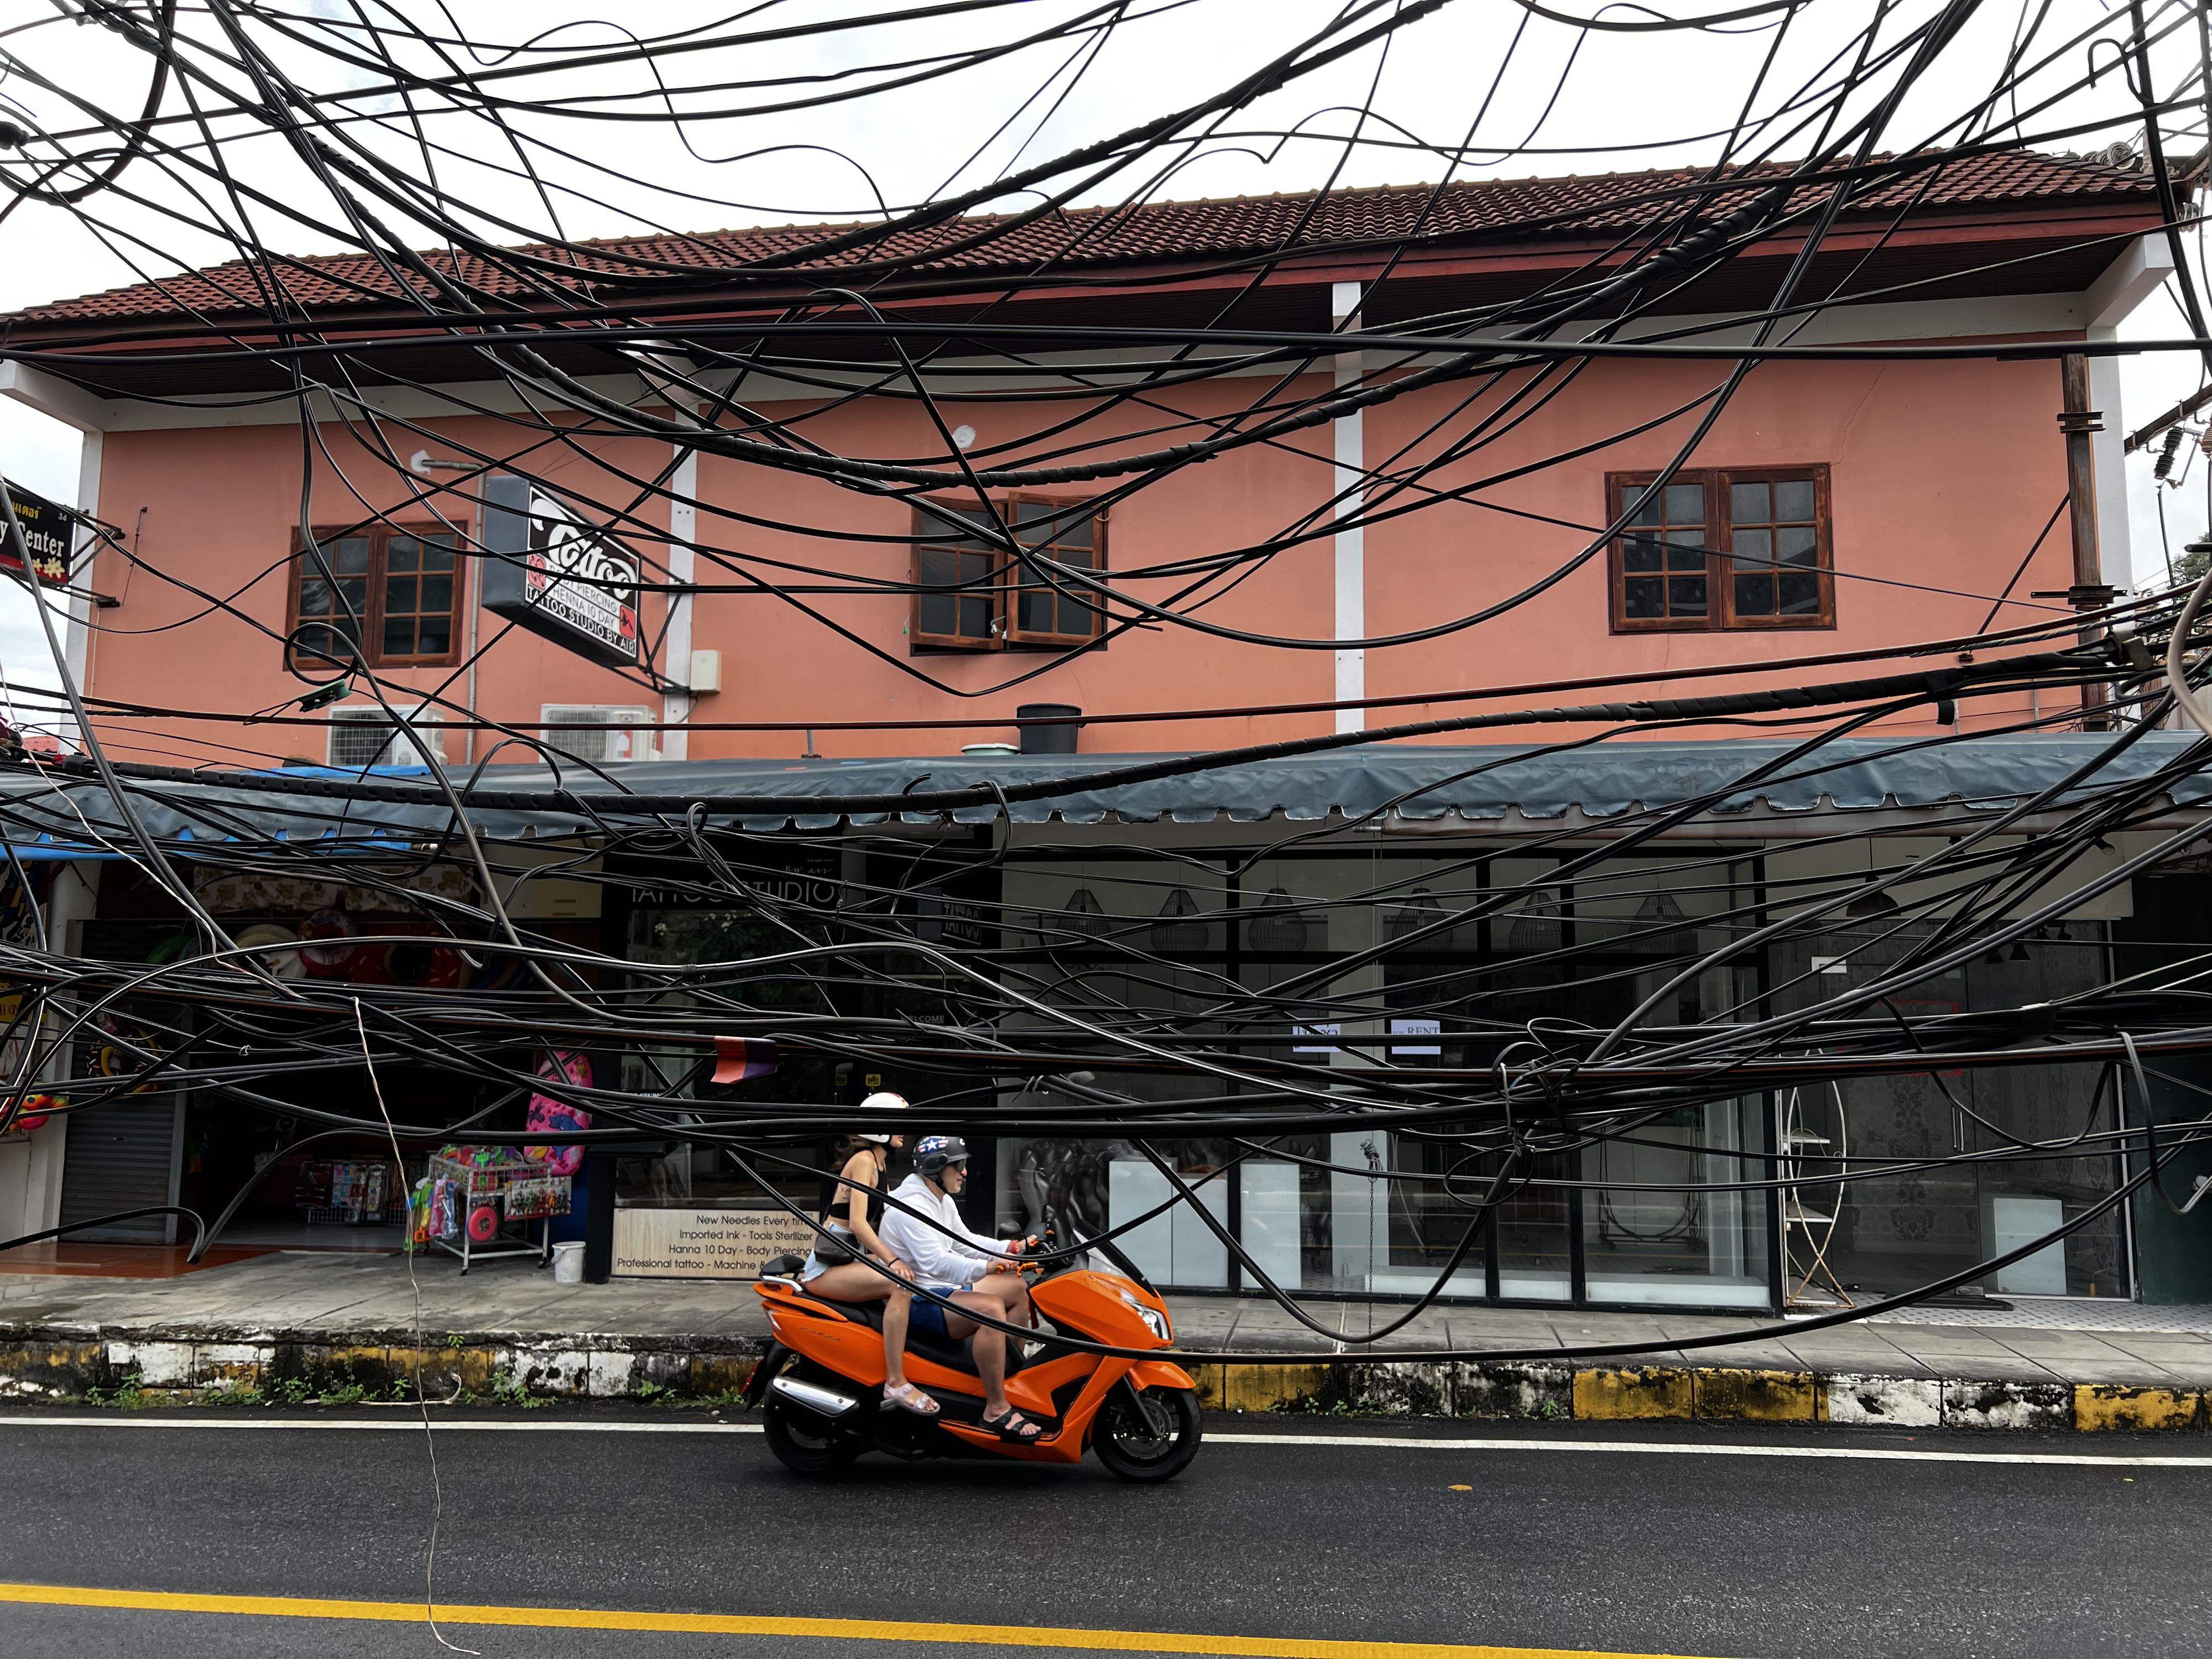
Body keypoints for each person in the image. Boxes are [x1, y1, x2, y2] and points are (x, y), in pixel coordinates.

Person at [878, 1134, 1043, 1443]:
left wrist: (1010, 1248)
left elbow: (964, 1242)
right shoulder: (911, 1208)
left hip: (941, 1288)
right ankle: (995, 1408)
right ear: (935, 1169)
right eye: (958, 1166)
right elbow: (937, 1263)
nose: (965, 1173)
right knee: (991, 1308)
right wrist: (989, 1266)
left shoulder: (940, 1199)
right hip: (920, 1299)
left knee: (1016, 1288)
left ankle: (1004, 1378)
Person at [797, 1093, 936, 1417]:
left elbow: (893, 1212)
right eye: (898, 1124)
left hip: (850, 1258)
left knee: (915, 1275)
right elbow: (859, 1223)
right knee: (899, 1284)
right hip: (828, 1266)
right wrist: (892, 1260)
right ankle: (896, 1382)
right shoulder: (863, 1161)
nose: (905, 1131)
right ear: (878, 1128)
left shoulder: (880, 1161)